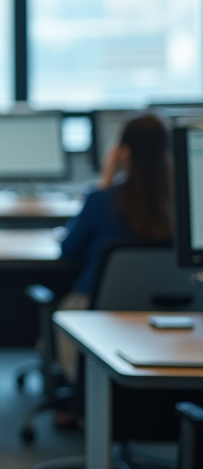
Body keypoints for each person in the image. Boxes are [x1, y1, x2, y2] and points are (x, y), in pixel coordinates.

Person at [56, 114, 173, 387]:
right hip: (169, 315)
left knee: (64, 311)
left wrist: (105, 180)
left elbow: (69, 250)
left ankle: (81, 395)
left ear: (124, 153)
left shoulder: (102, 200)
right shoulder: (186, 205)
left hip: (100, 312)